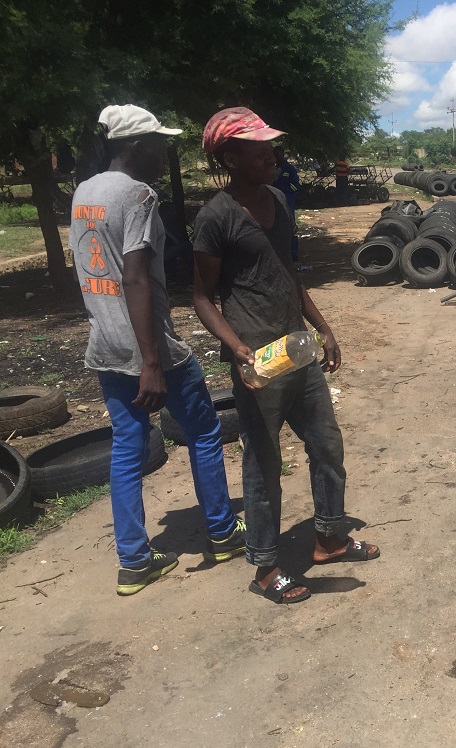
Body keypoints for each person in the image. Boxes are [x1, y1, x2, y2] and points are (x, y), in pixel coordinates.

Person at [192, 107, 379, 605]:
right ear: (231, 158)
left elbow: (287, 272)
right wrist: (236, 348)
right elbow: (201, 296)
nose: (271, 155)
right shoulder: (216, 216)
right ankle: (264, 565)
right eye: (258, 150)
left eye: (270, 146)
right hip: (259, 359)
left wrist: (323, 327)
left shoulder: (278, 198)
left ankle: (329, 538)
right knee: (264, 464)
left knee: (327, 445)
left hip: (296, 346)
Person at [69, 104, 245, 596]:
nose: (164, 148)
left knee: (127, 449)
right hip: (148, 348)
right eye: (158, 140)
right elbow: (135, 275)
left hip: (103, 343)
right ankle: (223, 532)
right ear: (135, 145)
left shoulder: (85, 191)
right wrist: (152, 361)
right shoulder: (139, 195)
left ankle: (134, 560)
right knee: (206, 432)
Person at [272, 146, 300, 261]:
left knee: (289, 226)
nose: (277, 157)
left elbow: (295, 185)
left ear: (282, 154)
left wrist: (285, 190)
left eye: (279, 154)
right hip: (273, 201)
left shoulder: (289, 169)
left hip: (287, 200)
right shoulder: (271, 169)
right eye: (275, 154)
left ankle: (293, 253)